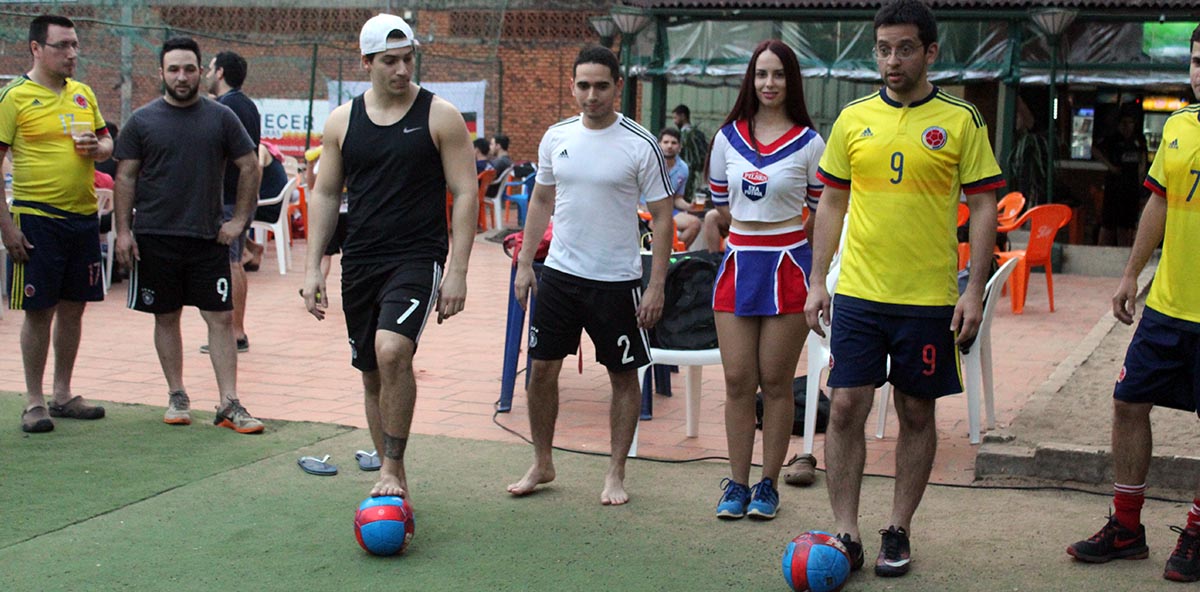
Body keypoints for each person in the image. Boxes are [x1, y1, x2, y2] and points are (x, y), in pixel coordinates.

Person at [806, 0, 1002, 577]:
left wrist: (975, 291)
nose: (892, 60)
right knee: (844, 407)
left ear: (930, 52)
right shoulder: (852, 118)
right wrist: (818, 280)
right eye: (884, 49)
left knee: (917, 412)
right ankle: (846, 532)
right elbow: (833, 202)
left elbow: (984, 204)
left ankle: (898, 528)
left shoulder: (963, 121)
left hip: (929, 298)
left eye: (905, 48)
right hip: (862, 294)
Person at [301, 14, 478, 499]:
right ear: (367, 63)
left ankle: (392, 471)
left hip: (417, 256)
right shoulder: (342, 120)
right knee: (372, 372)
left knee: (393, 349)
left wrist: (458, 270)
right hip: (360, 259)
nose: (401, 70)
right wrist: (313, 263)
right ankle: (388, 467)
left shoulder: (439, 116)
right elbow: (325, 193)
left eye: (407, 59)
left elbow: (465, 192)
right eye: (389, 61)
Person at [505, 45, 673, 506]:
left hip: (616, 281)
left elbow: (662, 217)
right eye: (583, 85)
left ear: (618, 87)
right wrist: (524, 264)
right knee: (541, 371)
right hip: (559, 275)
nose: (592, 95)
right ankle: (542, 461)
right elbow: (541, 201)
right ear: (573, 86)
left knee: (622, 378)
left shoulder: (641, 143)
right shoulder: (555, 136)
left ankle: (615, 472)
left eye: (601, 86)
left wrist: (654, 284)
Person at [1066, 25, 1200, 584]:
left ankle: (1198, 528)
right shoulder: (1178, 127)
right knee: (1127, 403)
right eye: (1197, 60)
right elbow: (1159, 204)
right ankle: (1127, 527)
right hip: (1167, 308)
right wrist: (1129, 274)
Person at [113, 37, 264, 433]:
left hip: (207, 237)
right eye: (174, 69)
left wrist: (239, 223)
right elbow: (125, 176)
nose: (182, 76)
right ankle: (176, 395)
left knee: (221, 317)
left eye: (189, 69)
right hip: (155, 236)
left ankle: (229, 403)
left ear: (202, 72)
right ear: (161, 73)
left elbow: (251, 167)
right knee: (166, 317)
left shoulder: (221, 117)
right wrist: (123, 232)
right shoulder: (142, 121)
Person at [707, 40, 825, 521]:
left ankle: (768, 485)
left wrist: (811, 266)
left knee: (775, 383)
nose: (769, 83)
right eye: (761, 74)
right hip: (738, 262)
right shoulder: (726, 138)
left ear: (790, 81)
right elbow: (718, 204)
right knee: (738, 380)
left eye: (778, 75)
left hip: (788, 265)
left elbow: (821, 211)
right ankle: (736, 483)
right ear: (750, 80)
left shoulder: (810, 142)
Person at [0, 15, 112, 433]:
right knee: (38, 310)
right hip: (36, 220)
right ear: (35, 48)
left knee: (74, 309)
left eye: (75, 45)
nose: (72, 54)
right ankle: (33, 401)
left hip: (82, 219)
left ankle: (62, 394)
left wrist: (98, 147)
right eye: (62, 45)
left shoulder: (82, 94)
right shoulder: (13, 97)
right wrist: (8, 229)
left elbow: (107, 144)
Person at [201, 50, 257, 353]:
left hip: (230, 199)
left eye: (210, 68)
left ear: (220, 72)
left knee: (231, 262)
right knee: (235, 262)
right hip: (240, 198)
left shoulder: (226, 108)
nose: (208, 74)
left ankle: (235, 333)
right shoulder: (245, 104)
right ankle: (237, 329)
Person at [1095, 113, 1147, 247]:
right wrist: (1111, 167)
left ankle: (1124, 251)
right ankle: (1102, 250)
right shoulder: (1112, 139)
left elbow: (1143, 157)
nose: (1127, 127)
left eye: (1131, 123)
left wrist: (1141, 176)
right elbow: (1095, 150)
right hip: (1114, 186)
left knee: (1127, 224)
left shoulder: (1138, 139)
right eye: (1124, 123)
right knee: (1108, 223)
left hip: (1131, 187)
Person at [655, 127, 701, 248]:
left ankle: (673, 252)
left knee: (695, 224)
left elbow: (677, 198)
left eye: (674, 143)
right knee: (659, 225)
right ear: (659, 144)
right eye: (665, 142)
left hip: (670, 211)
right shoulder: (650, 163)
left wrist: (690, 206)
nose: (669, 146)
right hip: (647, 210)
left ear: (680, 147)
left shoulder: (683, 168)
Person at [673, 103, 708, 201]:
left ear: (683, 116)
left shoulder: (686, 136)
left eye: (675, 118)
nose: (674, 121)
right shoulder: (697, 134)